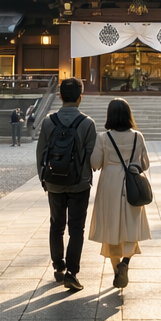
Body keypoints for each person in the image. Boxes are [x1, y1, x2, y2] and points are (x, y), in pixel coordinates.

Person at [37, 77, 97, 292]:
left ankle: (58, 267)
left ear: (60, 95)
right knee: (76, 228)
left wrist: (43, 178)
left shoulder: (48, 121)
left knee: (56, 224)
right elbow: (92, 156)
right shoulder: (87, 123)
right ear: (81, 96)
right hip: (79, 183)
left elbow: (41, 152)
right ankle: (72, 273)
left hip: (53, 181)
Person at [90, 97, 152, 290]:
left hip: (110, 184)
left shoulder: (103, 138)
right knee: (130, 224)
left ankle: (117, 270)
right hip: (132, 184)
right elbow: (146, 164)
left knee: (112, 226)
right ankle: (125, 262)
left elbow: (95, 163)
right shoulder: (137, 136)